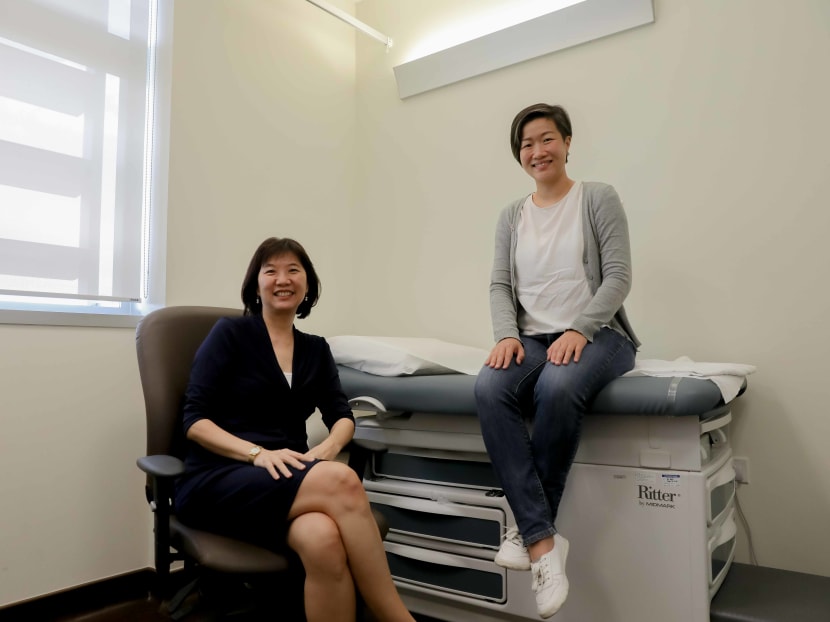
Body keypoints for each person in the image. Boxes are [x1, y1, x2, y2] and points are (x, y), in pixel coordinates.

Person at [174, 237, 415, 622]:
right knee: (343, 481)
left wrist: (330, 446)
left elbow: (341, 414)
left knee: (323, 540)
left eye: (293, 270)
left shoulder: (315, 349)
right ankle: (397, 618)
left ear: (307, 285)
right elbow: (194, 421)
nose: (282, 279)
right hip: (219, 477)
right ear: (256, 285)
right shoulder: (230, 335)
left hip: (283, 476)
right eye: (270, 271)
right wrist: (257, 453)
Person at [474, 104, 640, 618]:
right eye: (526, 144)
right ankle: (545, 542)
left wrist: (579, 328)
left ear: (567, 143)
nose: (537, 151)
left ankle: (529, 534)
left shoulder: (598, 198)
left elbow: (618, 276)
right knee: (488, 387)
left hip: (599, 334)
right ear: (519, 155)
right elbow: (501, 285)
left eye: (547, 139)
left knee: (557, 387)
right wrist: (506, 335)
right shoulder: (511, 216)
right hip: (533, 339)